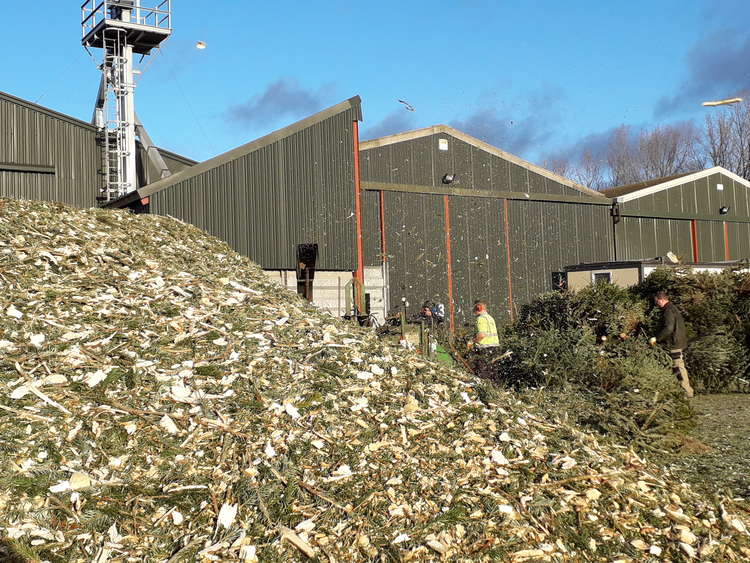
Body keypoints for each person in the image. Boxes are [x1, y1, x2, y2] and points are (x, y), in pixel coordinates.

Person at [650, 291, 694, 398]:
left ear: (661, 300)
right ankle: (682, 390)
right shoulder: (672, 308)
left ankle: (687, 391)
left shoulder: (668, 311)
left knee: (678, 366)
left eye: (657, 302)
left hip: (674, 343)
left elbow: (668, 328)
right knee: (677, 367)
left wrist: (657, 338)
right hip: (677, 341)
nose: (656, 304)